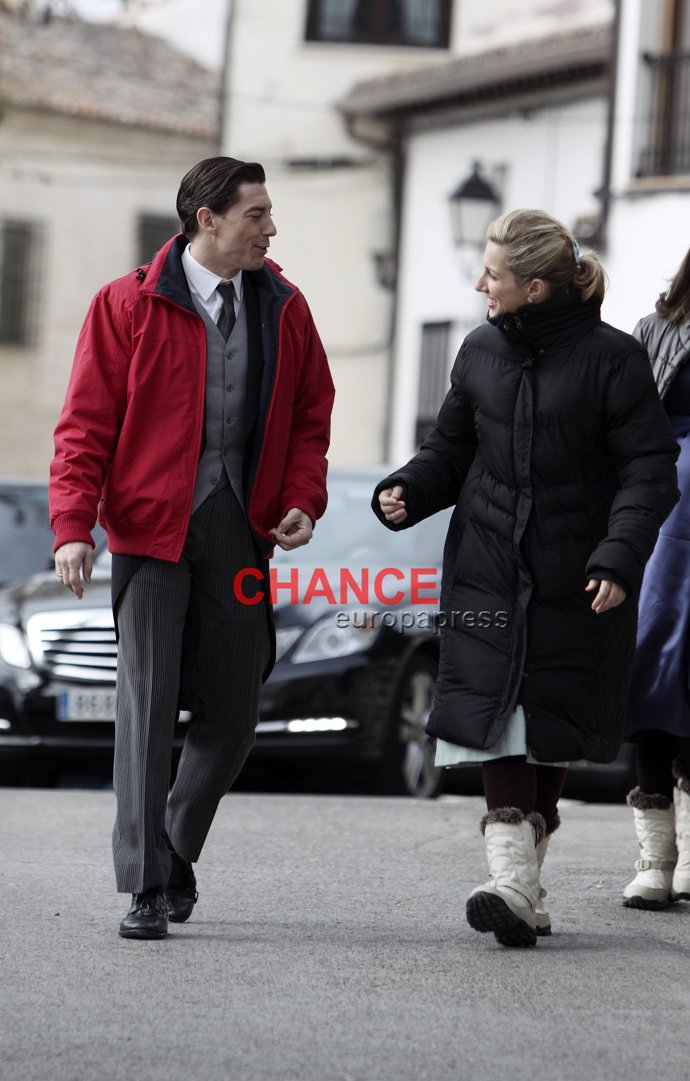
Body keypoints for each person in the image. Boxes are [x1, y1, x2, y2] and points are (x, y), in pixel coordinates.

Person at [373, 208, 679, 948]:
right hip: (486, 569)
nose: (481, 284)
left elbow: (649, 470)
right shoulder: (479, 349)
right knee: (497, 721)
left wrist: (619, 556)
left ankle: (523, 888)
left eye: (493, 275)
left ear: (535, 288)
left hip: (577, 574)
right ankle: (512, 881)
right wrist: (409, 488)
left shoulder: (614, 359)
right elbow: (451, 447)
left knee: (547, 726)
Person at [49, 156, 335, 940]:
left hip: (239, 530)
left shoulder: (285, 307)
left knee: (236, 708)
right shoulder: (127, 304)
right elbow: (84, 424)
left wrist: (302, 498)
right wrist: (72, 525)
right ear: (207, 219)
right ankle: (146, 883)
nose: (270, 228)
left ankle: (173, 843)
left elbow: (311, 415)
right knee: (145, 708)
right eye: (256, 214)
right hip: (150, 535)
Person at [622, 248, 690, 910]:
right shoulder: (658, 329)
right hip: (664, 525)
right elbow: (623, 432)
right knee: (653, 665)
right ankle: (655, 854)